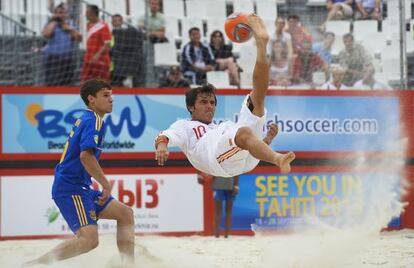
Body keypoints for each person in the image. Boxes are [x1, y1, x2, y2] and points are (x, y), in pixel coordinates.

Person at [155, 14, 295, 178]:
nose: (210, 105)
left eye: (212, 102)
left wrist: (267, 139)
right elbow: (164, 136)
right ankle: (278, 158)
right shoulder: (184, 126)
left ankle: (261, 46)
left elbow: (247, 147)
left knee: (256, 99)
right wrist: (162, 148)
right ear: (191, 107)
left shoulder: (217, 127)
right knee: (241, 133)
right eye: (204, 102)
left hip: (240, 156)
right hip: (216, 159)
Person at [24, 79, 135, 266]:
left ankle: (128, 264)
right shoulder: (95, 120)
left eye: (111, 95)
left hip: (80, 186)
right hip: (71, 188)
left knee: (125, 214)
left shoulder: (86, 117)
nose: (111, 99)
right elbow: (86, 157)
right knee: (89, 241)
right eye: (105, 95)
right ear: (92, 99)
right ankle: (34, 265)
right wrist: (106, 184)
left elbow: (84, 157)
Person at [212, 123, 279, 238]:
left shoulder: (231, 146)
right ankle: (219, 236)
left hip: (225, 183)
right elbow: (214, 168)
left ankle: (224, 236)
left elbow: (236, 168)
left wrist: (236, 185)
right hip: (222, 183)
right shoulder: (217, 148)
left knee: (225, 211)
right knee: (222, 211)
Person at [41, 3, 82, 86]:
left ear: (66, 14)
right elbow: (45, 35)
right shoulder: (51, 24)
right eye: (59, 12)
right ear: (55, 14)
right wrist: (54, 22)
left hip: (68, 60)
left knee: (67, 84)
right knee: (52, 84)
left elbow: (79, 39)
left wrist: (69, 29)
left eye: (63, 12)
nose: (61, 15)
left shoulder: (71, 24)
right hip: (53, 59)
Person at [110, 14, 145, 87]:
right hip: (113, 63)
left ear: (122, 22)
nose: (116, 23)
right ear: (112, 23)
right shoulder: (110, 33)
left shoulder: (128, 35)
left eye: (118, 20)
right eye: (114, 21)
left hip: (124, 64)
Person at [81, 5, 112, 82]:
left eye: (87, 13)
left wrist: (97, 55)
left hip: (100, 60)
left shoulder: (104, 26)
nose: (85, 15)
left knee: (102, 83)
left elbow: (107, 43)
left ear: (93, 13)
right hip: (88, 59)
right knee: (85, 82)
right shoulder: (88, 25)